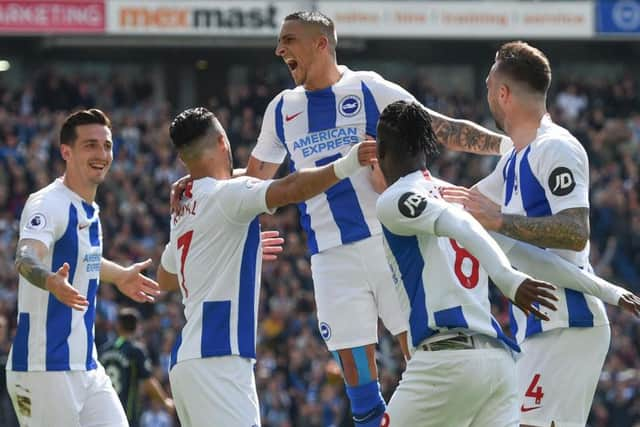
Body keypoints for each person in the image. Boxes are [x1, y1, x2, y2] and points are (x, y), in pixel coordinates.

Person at [244, 11, 512, 426]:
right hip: (331, 258)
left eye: (289, 40)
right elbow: (254, 179)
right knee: (361, 391)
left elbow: (438, 128)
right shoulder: (281, 109)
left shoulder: (368, 87)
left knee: (423, 358)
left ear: (321, 43)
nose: (280, 50)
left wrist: (510, 147)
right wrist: (201, 185)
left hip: (388, 247)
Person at [374, 100, 640, 426]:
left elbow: (460, 226)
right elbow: (529, 257)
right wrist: (609, 291)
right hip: (497, 365)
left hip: (445, 361)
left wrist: (508, 281)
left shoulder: (395, 199)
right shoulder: (461, 197)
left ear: (381, 152)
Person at [156, 107, 377, 427]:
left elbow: (166, 278)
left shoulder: (184, 207)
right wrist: (347, 163)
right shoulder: (229, 195)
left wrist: (223, 251)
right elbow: (290, 188)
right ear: (222, 142)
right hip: (218, 358)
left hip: (187, 363)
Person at [442, 41, 612, 427]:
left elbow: (575, 231)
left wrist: (502, 221)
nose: (486, 94)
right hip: (538, 329)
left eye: (488, 86)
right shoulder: (514, 159)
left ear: (503, 94)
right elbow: (463, 204)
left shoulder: (557, 148)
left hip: (569, 325)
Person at [6, 108, 161, 426]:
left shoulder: (88, 209)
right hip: (44, 368)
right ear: (66, 152)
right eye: (90, 145)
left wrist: (118, 275)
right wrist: (50, 281)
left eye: (106, 145)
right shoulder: (47, 203)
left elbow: (84, 259)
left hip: (87, 366)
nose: (102, 153)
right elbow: (25, 256)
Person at [99, 307, 174, 427]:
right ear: (137, 326)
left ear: (118, 325)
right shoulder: (135, 350)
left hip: (105, 411)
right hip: (126, 413)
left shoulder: (104, 350)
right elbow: (148, 381)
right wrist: (165, 402)